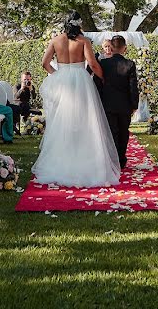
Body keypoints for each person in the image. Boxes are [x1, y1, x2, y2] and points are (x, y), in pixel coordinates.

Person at [31, 12, 121, 187]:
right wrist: (103, 78)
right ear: (79, 24)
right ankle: (85, 161)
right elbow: (93, 64)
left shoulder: (55, 40)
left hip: (62, 82)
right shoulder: (83, 41)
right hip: (80, 81)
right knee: (85, 121)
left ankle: (62, 163)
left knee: (62, 122)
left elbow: (45, 63)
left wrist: (58, 75)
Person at [95, 36, 139, 168]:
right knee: (123, 132)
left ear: (112, 48)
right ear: (124, 48)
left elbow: (97, 84)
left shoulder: (103, 64)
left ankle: (112, 160)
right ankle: (121, 159)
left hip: (107, 103)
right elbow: (133, 87)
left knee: (111, 131)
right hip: (125, 105)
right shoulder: (130, 64)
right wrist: (134, 105)